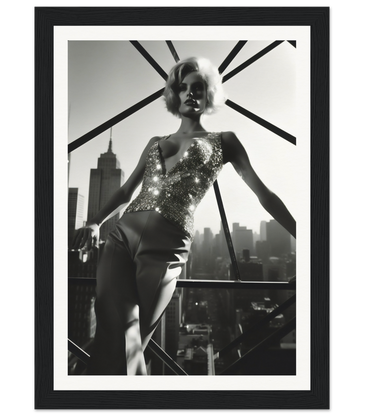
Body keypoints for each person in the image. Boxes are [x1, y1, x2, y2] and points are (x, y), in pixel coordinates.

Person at [71, 57, 296, 375]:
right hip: (122, 235)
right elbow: (125, 193)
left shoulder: (225, 141)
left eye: (199, 87)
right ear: (174, 95)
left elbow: (265, 195)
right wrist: (95, 222)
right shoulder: (155, 142)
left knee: (129, 339)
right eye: (183, 87)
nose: (190, 93)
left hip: (169, 240)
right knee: (111, 328)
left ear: (210, 94)